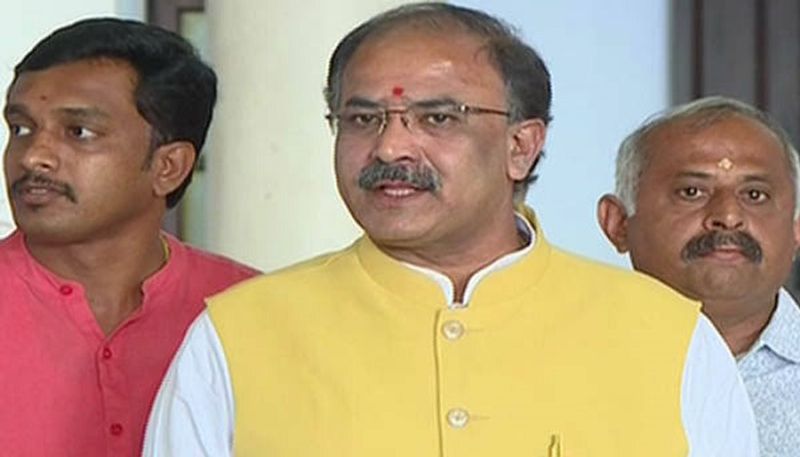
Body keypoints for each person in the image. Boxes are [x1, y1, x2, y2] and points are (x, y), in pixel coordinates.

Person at [144, 4, 758, 456]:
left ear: (521, 145)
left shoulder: (669, 338)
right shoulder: (239, 336)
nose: (391, 146)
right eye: (362, 118)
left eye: (437, 117)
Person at [0, 18, 258, 456]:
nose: (33, 157)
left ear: (168, 167)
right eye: (21, 128)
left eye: (78, 132)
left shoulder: (246, 311)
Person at [598, 95, 800, 457]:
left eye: (755, 195)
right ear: (618, 223)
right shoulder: (563, 359)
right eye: (692, 192)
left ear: (796, 231)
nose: (728, 216)